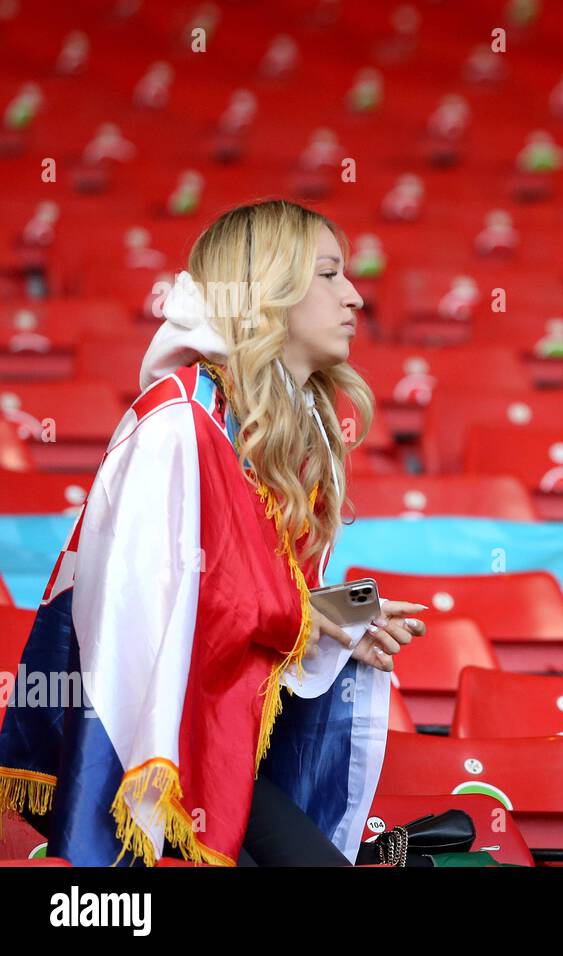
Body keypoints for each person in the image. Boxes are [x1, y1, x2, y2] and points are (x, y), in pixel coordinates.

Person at [0, 199, 428, 866]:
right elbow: (152, 624)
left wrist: (329, 625)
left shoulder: (282, 432)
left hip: (221, 746)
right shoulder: (177, 424)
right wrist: (302, 619)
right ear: (267, 292)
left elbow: (233, 610)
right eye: (328, 274)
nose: (354, 295)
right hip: (158, 753)